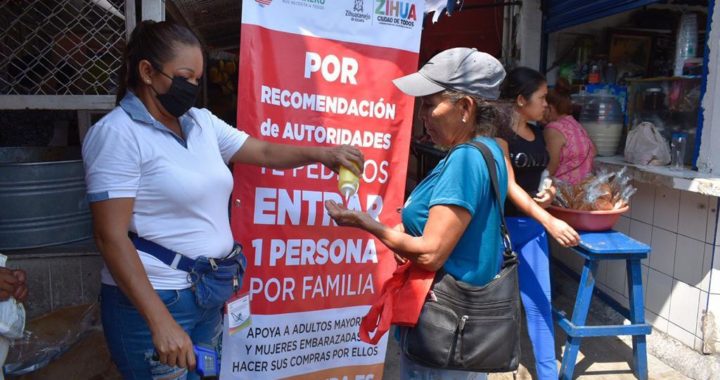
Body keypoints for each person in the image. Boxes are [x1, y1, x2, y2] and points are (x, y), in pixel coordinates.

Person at [82, 20, 363, 379]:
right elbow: (110, 236)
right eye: (185, 77)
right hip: (158, 301)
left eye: (198, 79)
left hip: (207, 295)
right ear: (147, 72)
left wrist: (323, 154)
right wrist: (160, 321)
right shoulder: (117, 135)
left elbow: (261, 151)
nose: (193, 89)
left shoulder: (200, 123)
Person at [327, 47, 513, 380]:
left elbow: (430, 253)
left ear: (465, 108)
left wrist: (369, 225)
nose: (422, 116)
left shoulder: (465, 159)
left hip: (446, 333)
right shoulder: (491, 150)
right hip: (463, 332)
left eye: (429, 104)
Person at [498, 67, 572, 379]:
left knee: (540, 304)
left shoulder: (541, 135)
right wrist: (549, 220)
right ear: (519, 100)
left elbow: (545, 175)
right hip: (499, 229)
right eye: (541, 98)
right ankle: (492, 368)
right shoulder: (499, 138)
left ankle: (547, 374)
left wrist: (549, 191)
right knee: (496, 306)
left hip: (532, 231)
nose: (546, 104)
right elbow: (510, 186)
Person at [544, 78, 595, 184]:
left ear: (550, 108)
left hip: (563, 191)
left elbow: (551, 167)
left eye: (543, 106)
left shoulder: (553, 129)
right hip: (583, 189)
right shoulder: (577, 125)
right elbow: (594, 151)